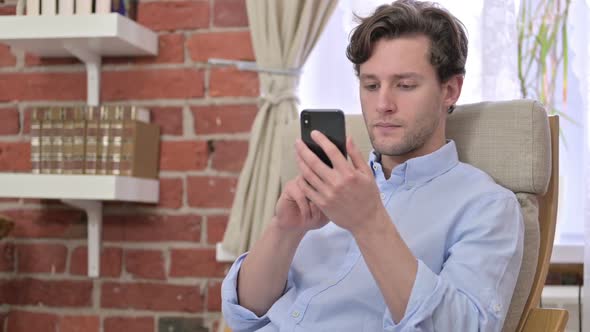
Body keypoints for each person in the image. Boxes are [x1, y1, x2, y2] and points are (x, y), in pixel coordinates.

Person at [221, 1, 524, 331]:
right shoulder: (332, 187)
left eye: (405, 85)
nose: (383, 105)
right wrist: (285, 230)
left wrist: (367, 222)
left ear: (449, 90)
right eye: (370, 85)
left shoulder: (488, 206)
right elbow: (244, 315)